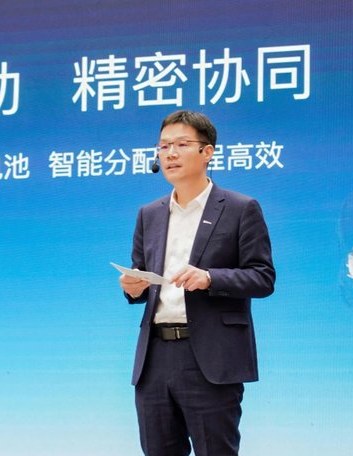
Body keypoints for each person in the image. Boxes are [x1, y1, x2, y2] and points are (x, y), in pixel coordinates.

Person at [119, 110, 275, 456]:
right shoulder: (149, 214)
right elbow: (141, 273)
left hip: (210, 358)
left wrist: (210, 278)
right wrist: (133, 287)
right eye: (163, 146)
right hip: (154, 357)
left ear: (207, 152)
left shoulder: (240, 208)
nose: (170, 154)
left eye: (181, 145)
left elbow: (263, 277)